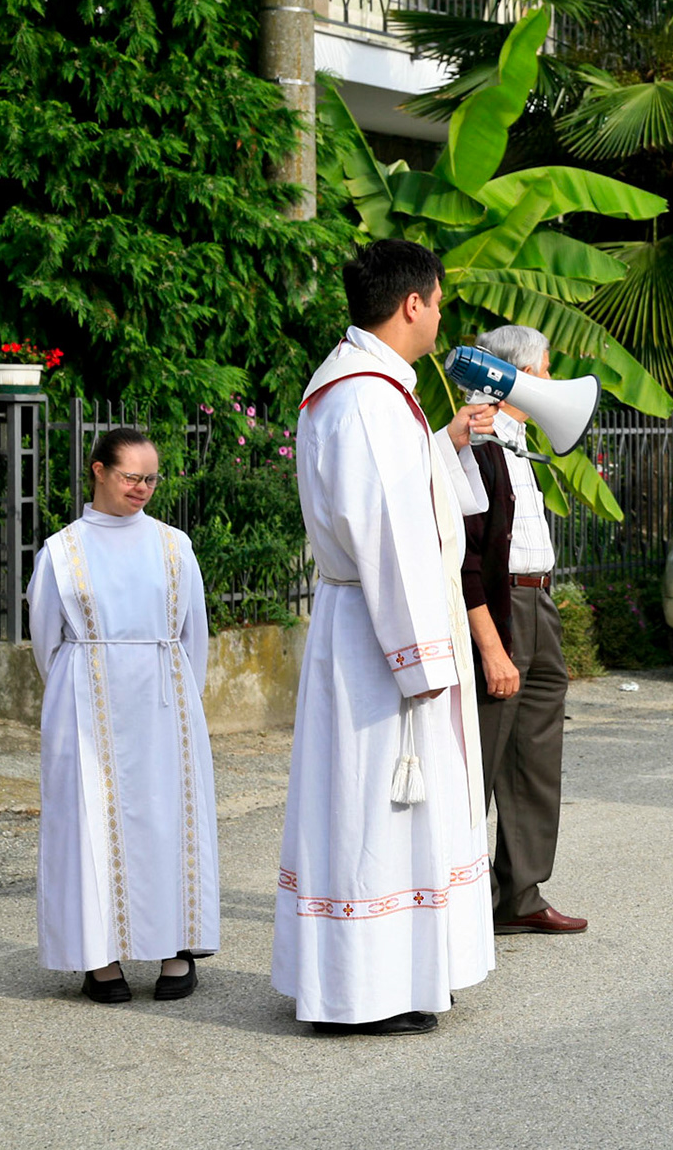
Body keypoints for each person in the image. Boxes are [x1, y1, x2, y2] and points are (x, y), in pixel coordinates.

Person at [274, 239, 498, 1035]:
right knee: (378, 808)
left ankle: (376, 980)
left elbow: (392, 495)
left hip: (360, 625)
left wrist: (445, 445)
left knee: (366, 807)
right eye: (438, 303)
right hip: (380, 640)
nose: (441, 316)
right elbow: (388, 537)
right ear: (413, 304)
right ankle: (365, 994)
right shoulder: (367, 398)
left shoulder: (361, 386)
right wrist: (426, 662)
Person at [28, 428, 217, 1004]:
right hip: (87, 696)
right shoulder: (62, 550)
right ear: (99, 471)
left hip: (163, 698)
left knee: (166, 817)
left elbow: (193, 632)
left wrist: (182, 697)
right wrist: (84, 684)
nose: (143, 488)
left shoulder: (172, 544)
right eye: (132, 476)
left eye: (151, 478)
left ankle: (173, 946)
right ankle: (99, 955)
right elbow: (46, 640)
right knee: (92, 821)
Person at [460, 325, 587, 937]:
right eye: (541, 371)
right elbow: (468, 555)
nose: (549, 382)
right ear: (511, 377)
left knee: (537, 753)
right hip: (502, 608)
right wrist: (490, 645)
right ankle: (455, 899)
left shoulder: (517, 442)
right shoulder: (478, 443)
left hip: (539, 602)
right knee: (482, 756)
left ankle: (521, 892)